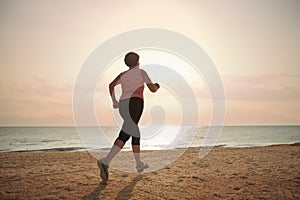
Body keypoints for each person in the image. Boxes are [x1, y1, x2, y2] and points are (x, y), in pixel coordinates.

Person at [98, 52, 160, 182]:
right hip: (135, 103)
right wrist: (157, 86)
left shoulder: (123, 74)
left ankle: (138, 164)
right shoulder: (141, 72)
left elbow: (111, 85)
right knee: (126, 134)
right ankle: (106, 161)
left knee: (134, 131)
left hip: (123, 105)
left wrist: (114, 101)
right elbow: (152, 89)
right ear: (138, 62)